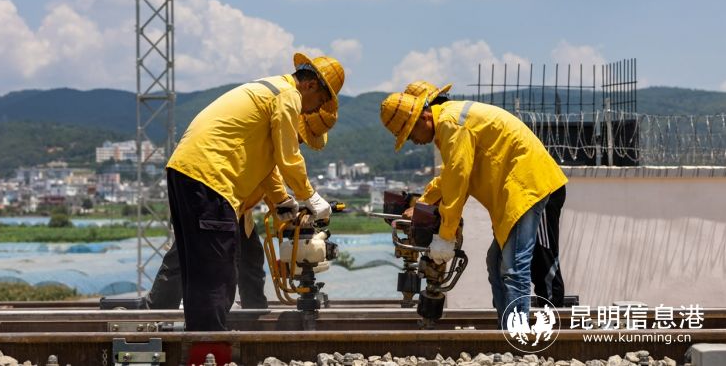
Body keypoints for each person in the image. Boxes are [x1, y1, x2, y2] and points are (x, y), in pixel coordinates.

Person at [166, 53, 344, 331]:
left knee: (200, 272)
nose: (313, 110)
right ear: (310, 85)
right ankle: (210, 345)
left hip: (186, 171)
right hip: (212, 178)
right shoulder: (288, 95)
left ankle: (200, 340)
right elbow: (288, 155)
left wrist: (282, 201)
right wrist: (309, 196)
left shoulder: (269, 89)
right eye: (320, 101)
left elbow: (267, 162)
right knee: (218, 273)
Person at [380, 91, 567, 329]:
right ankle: (506, 328)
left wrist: (445, 237)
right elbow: (451, 176)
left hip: (526, 186)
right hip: (515, 189)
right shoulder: (449, 123)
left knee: (514, 267)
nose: (413, 141)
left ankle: (516, 334)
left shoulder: (451, 125)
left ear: (424, 118)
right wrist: (422, 204)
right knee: (495, 263)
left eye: (410, 134)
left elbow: (458, 181)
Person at [145, 108, 338, 310]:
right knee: (184, 256)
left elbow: (272, 190)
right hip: (210, 195)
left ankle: (254, 312)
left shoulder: (273, 146)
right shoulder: (264, 137)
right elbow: (270, 181)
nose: (298, 143)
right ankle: (156, 311)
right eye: (300, 138)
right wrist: (289, 201)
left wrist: (289, 219)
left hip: (236, 208)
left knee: (251, 260)